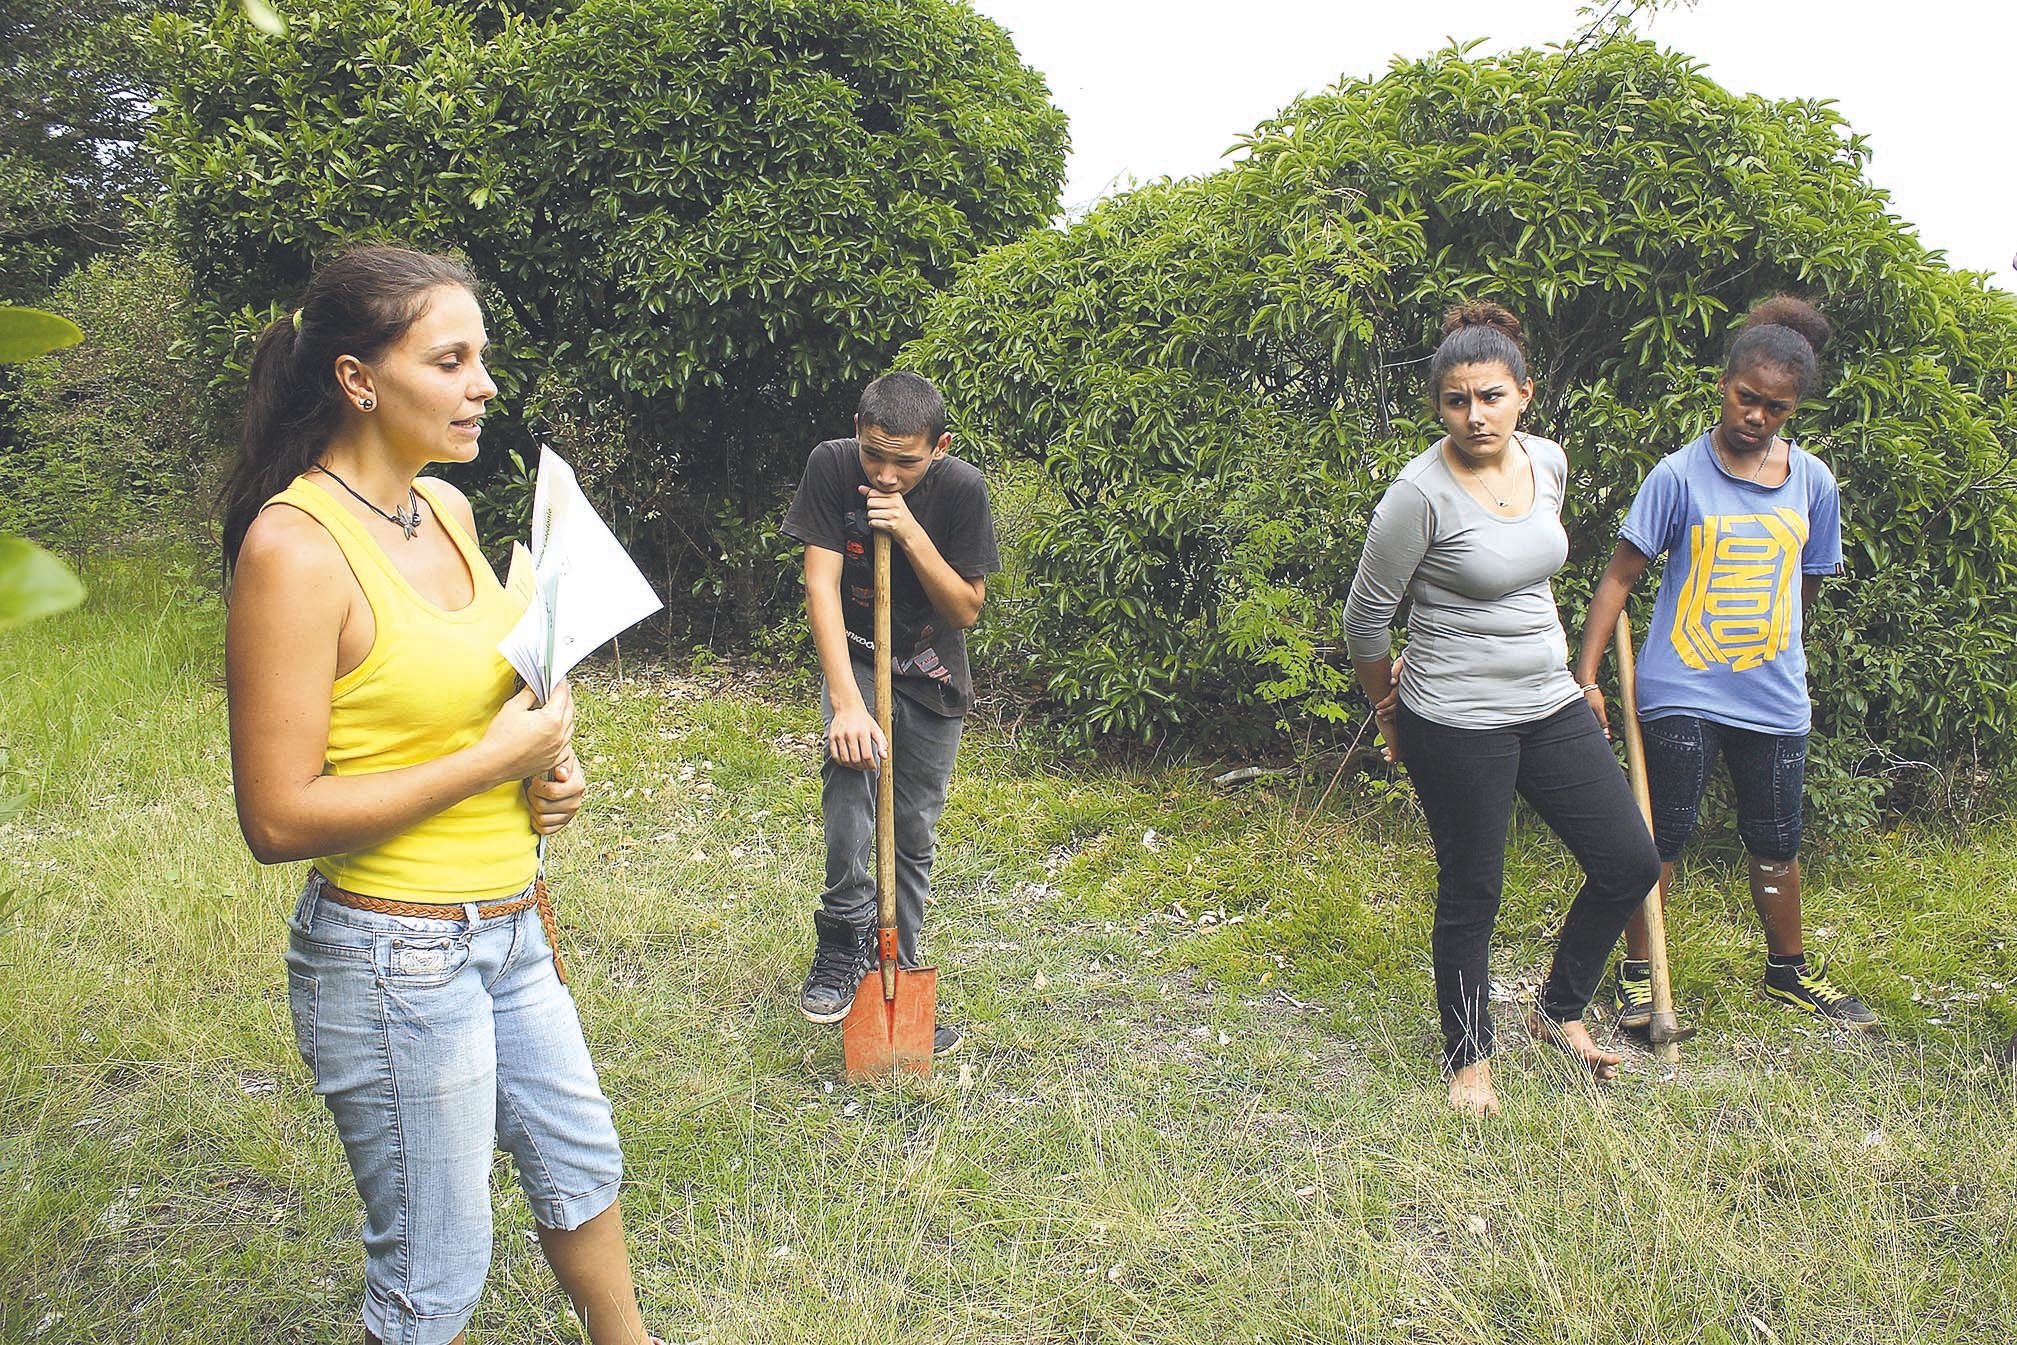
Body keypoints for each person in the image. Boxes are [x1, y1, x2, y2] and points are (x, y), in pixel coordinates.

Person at [223, 245, 661, 1345]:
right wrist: (492, 762)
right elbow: (276, 815)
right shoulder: (294, 549)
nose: (484, 385)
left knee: (580, 1163)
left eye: (483, 358)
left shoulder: (448, 510)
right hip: (391, 957)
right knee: (436, 1263)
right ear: (358, 378)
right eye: (452, 359)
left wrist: (544, 767)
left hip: (510, 924)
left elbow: (473, 701)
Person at [1344, 301, 1660, 1117]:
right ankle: (1468, 1059)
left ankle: (1556, 1011)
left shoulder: (1546, 462)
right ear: (1437, 407)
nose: (1473, 414)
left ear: (1524, 391)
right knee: (1472, 889)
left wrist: (1575, 675)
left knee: (1627, 861)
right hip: (1453, 716)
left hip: (1547, 698)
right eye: (1455, 400)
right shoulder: (1417, 495)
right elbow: (1364, 619)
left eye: (1489, 396)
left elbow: (1530, 572)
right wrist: (1390, 711)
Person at [1575, 295, 1877, 1034]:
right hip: (1680, 687)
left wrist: (1781, 656)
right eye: (1747, 399)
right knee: (1662, 836)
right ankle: (1639, 977)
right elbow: (1618, 577)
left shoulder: (1814, 483)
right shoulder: (1677, 476)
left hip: (1772, 694)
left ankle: (1788, 972)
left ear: (1792, 408)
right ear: (1724, 385)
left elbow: (1803, 585)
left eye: (1775, 408)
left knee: (1776, 837)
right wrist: (1583, 677)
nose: (1756, 416)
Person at [781, 371, 1000, 1057]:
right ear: (857, 430)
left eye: (904, 460)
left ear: (940, 446)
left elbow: (964, 607)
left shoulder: (961, 490)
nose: (883, 471)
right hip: (856, 658)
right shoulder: (832, 465)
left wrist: (906, 531)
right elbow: (819, 581)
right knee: (850, 778)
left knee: (910, 829)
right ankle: (844, 932)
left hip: (933, 672)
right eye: (874, 454)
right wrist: (845, 701)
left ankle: (896, 970)